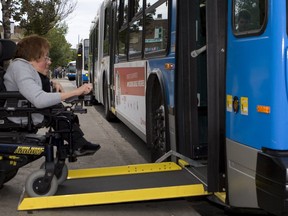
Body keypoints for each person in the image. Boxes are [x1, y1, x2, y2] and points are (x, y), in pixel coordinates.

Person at [4, 34, 100, 156]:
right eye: (45, 57)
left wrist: (52, 83)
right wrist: (75, 91)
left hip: (24, 109)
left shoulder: (23, 67)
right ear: (34, 56)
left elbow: (31, 86)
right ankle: (78, 145)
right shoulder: (20, 67)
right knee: (59, 113)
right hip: (19, 114)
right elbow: (39, 99)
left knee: (60, 110)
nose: (49, 61)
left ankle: (78, 144)